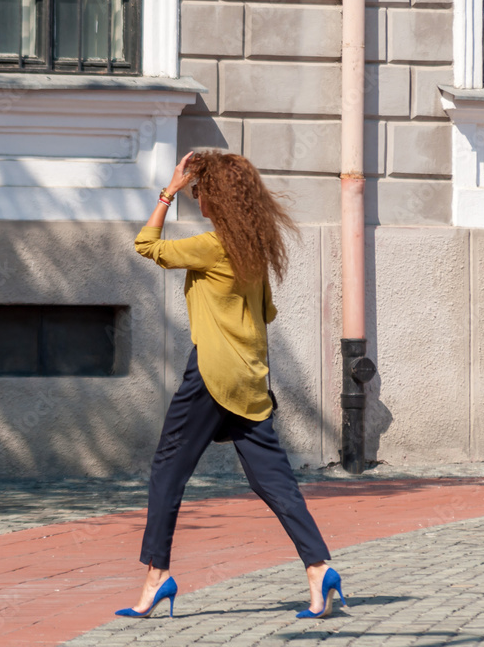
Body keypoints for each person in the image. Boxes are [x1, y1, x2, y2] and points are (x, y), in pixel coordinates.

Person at [114, 150, 345, 620]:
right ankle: (320, 568)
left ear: (216, 197)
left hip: (211, 376)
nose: (197, 198)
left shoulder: (212, 246)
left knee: (166, 472)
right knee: (273, 480)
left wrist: (167, 192)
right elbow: (266, 314)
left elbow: (146, 245)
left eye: (200, 192)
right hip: (250, 377)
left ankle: (158, 577)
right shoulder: (252, 250)